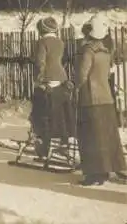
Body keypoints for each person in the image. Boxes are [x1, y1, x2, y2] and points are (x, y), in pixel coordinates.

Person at [76, 16, 127, 186]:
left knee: (91, 136)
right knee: (107, 137)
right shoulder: (105, 51)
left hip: (90, 98)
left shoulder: (88, 51)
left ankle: (94, 174)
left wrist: (74, 86)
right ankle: (109, 168)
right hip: (106, 98)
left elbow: (82, 75)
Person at [30, 17, 75, 158]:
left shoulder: (42, 42)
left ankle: (43, 144)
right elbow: (63, 60)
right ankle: (63, 142)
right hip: (61, 79)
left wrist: (39, 79)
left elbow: (40, 62)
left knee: (42, 113)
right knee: (60, 113)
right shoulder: (60, 42)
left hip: (47, 80)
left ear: (41, 29)